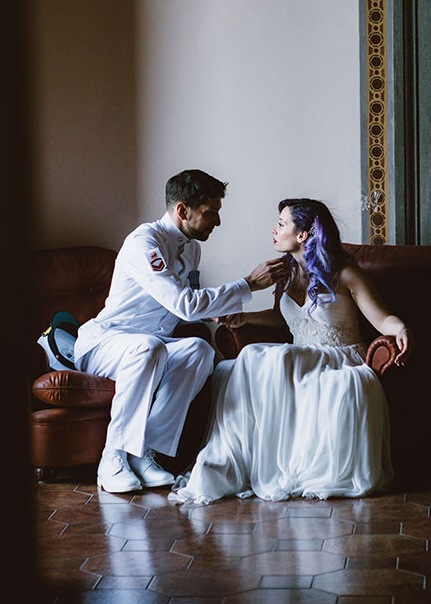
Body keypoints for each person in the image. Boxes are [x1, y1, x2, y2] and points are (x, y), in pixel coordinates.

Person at [171, 198, 413, 505]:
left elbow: (380, 317)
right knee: (234, 366)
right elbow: (285, 320)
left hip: (337, 359)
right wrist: (246, 318)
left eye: (282, 224)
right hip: (301, 358)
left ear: (303, 235)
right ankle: (231, 465)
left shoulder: (346, 272)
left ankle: (271, 469)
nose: (274, 229)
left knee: (266, 358)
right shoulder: (284, 274)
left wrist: (400, 328)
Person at [74, 169, 288, 493]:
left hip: (153, 345)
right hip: (104, 343)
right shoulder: (143, 242)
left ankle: (145, 452)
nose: (217, 221)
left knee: (199, 350)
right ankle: (112, 458)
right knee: (147, 347)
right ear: (183, 211)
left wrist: (221, 312)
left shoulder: (192, 249)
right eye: (211, 212)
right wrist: (248, 284)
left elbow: (188, 302)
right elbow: (185, 305)